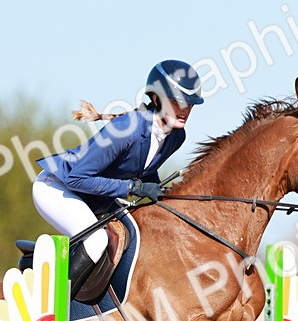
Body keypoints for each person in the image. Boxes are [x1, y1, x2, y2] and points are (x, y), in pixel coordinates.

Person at [33, 59, 204, 285]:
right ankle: (55, 308)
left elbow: (144, 169)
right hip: (57, 188)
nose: (185, 110)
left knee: (139, 236)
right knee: (95, 241)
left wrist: (164, 193)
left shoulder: (176, 137)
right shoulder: (125, 129)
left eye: (190, 104)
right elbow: (77, 179)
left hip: (94, 197)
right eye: (177, 102)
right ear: (156, 98)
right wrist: (132, 188)